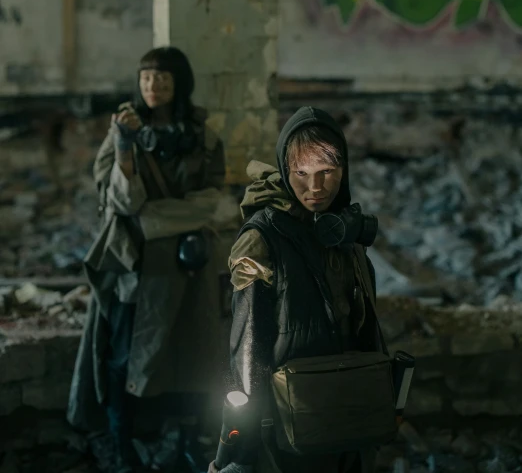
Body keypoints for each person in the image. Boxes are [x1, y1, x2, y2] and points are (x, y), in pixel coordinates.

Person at [68, 46, 227, 473]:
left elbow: (208, 202)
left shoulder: (203, 135)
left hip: (186, 267)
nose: (152, 87)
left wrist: (151, 220)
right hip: (135, 267)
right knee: (124, 357)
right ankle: (123, 446)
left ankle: (189, 443)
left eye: (161, 79)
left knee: (192, 355)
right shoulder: (123, 128)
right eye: (145, 79)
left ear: (179, 83)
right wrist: (124, 151)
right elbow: (121, 201)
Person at [209, 106, 383, 473]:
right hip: (287, 424)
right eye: (301, 174)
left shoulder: (345, 234)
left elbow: (365, 328)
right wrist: (240, 440)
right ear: (286, 171)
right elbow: (246, 349)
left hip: (346, 411)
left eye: (327, 173)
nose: (315, 188)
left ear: (343, 171)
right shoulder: (261, 240)